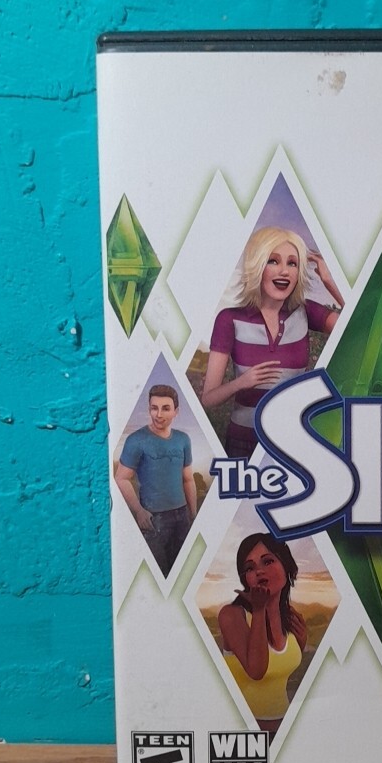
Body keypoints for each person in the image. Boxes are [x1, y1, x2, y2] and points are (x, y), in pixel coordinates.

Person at [202, 227, 343, 457]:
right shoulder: (229, 319)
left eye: (292, 263)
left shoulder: (305, 311)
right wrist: (241, 383)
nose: (284, 271)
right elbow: (208, 399)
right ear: (257, 265)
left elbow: (356, 326)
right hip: (242, 445)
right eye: (273, 261)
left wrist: (328, 281)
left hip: (293, 443)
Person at [219, 533, 309, 734]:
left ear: (286, 565)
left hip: (286, 733)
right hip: (245, 735)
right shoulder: (232, 615)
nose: (259, 571)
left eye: (267, 561)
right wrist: (259, 610)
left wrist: (301, 642)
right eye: (250, 568)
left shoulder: (289, 616)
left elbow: (285, 663)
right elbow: (256, 671)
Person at [114, 385, 197, 577]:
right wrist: (139, 511)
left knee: (183, 573)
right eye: (154, 408)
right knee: (158, 574)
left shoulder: (183, 439)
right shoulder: (136, 440)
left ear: (176, 411)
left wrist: (193, 514)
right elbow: (121, 478)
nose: (158, 414)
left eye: (165, 408)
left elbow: (188, 479)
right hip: (154, 518)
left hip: (182, 516)